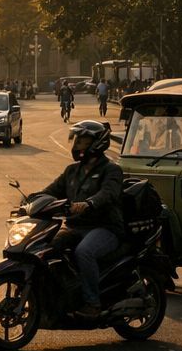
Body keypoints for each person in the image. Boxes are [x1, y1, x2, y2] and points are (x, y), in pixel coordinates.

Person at [40, 120, 125, 320]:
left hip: (105, 227)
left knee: (84, 251)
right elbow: (50, 191)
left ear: (97, 143)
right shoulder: (72, 171)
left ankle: (92, 303)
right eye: (76, 139)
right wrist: (29, 201)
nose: (77, 144)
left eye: (83, 140)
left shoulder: (111, 170)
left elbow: (109, 193)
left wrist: (89, 203)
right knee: (45, 248)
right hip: (75, 226)